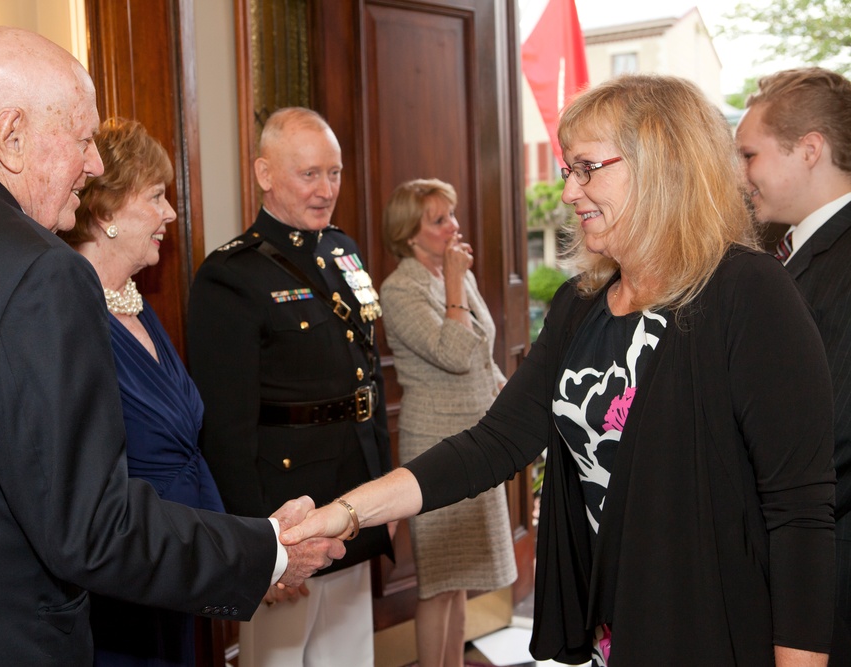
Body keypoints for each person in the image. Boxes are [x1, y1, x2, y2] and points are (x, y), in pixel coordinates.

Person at [282, 74, 837, 667]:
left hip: (711, 629)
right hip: (615, 629)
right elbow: (490, 445)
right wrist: (343, 512)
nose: (569, 192)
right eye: (569, 170)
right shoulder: (580, 304)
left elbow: (799, 514)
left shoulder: (747, 291)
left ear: (663, 163)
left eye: (587, 168)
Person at [0, 27, 343, 666]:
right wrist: (267, 551)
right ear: (11, 135)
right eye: (82, 139)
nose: (94, 165)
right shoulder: (43, 273)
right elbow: (92, 527)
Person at [187, 107, 392, 667]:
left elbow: (365, 379)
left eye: (335, 172)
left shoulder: (342, 252)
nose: (326, 189)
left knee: (349, 656)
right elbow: (225, 431)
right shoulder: (231, 275)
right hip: (286, 516)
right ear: (265, 174)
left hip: (351, 499)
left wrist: (384, 489)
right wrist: (258, 550)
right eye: (309, 174)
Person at [58, 117, 225, 667]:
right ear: (104, 212)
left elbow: (186, 455)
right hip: (121, 585)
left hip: (174, 571)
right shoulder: (67, 313)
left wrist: (233, 552)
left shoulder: (134, 304)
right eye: (156, 196)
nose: (171, 214)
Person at [736, 66, 851, 662]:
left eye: (749, 154)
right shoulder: (794, 250)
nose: (741, 173)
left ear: (810, 150)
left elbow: (829, 430)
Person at [380, 178, 516, 667]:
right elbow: (453, 354)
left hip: (476, 437)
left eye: (451, 215)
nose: (453, 227)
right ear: (409, 234)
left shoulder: (453, 274)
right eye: (438, 220)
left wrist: (512, 399)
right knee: (437, 584)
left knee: (459, 579)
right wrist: (456, 283)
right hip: (435, 442)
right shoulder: (399, 289)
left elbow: (481, 353)